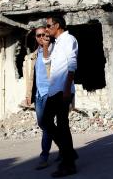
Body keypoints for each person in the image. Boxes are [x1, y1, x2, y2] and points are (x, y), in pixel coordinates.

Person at [41, 15, 79, 177]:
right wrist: (45, 46)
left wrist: (66, 88)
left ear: (57, 25)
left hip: (63, 90)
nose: (46, 29)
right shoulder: (56, 44)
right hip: (53, 90)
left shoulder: (69, 39)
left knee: (63, 125)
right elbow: (47, 63)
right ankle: (68, 151)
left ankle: (68, 164)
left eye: (48, 26)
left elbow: (72, 64)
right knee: (45, 121)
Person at [23, 27, 54, 170]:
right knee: (42, 124)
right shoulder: (33, 56)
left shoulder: (54, 49)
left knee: (46, 126)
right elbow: (31, 77)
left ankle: (44, 157)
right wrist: (28, 95)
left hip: (50, 92)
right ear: (35, 38)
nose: (41, 37)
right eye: (38, 35)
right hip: (38, 94)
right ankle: (65, 148)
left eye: (44, 34)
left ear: (48, 35)